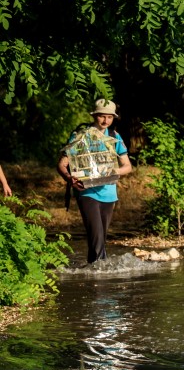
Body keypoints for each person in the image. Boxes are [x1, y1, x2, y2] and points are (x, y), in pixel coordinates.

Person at [57, 99, 132, 263]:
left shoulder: (114, 136)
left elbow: (127, 166)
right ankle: (100, 276)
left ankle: (95, 276)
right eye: (102, 116)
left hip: (109, 193)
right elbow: (62, 165)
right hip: (86, 192)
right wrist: (70, 180)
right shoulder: (80, 135)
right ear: (95, 116)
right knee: (97, 236)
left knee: (99, 240)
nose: (106, 121)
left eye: (109, 117)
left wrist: (113, 171)